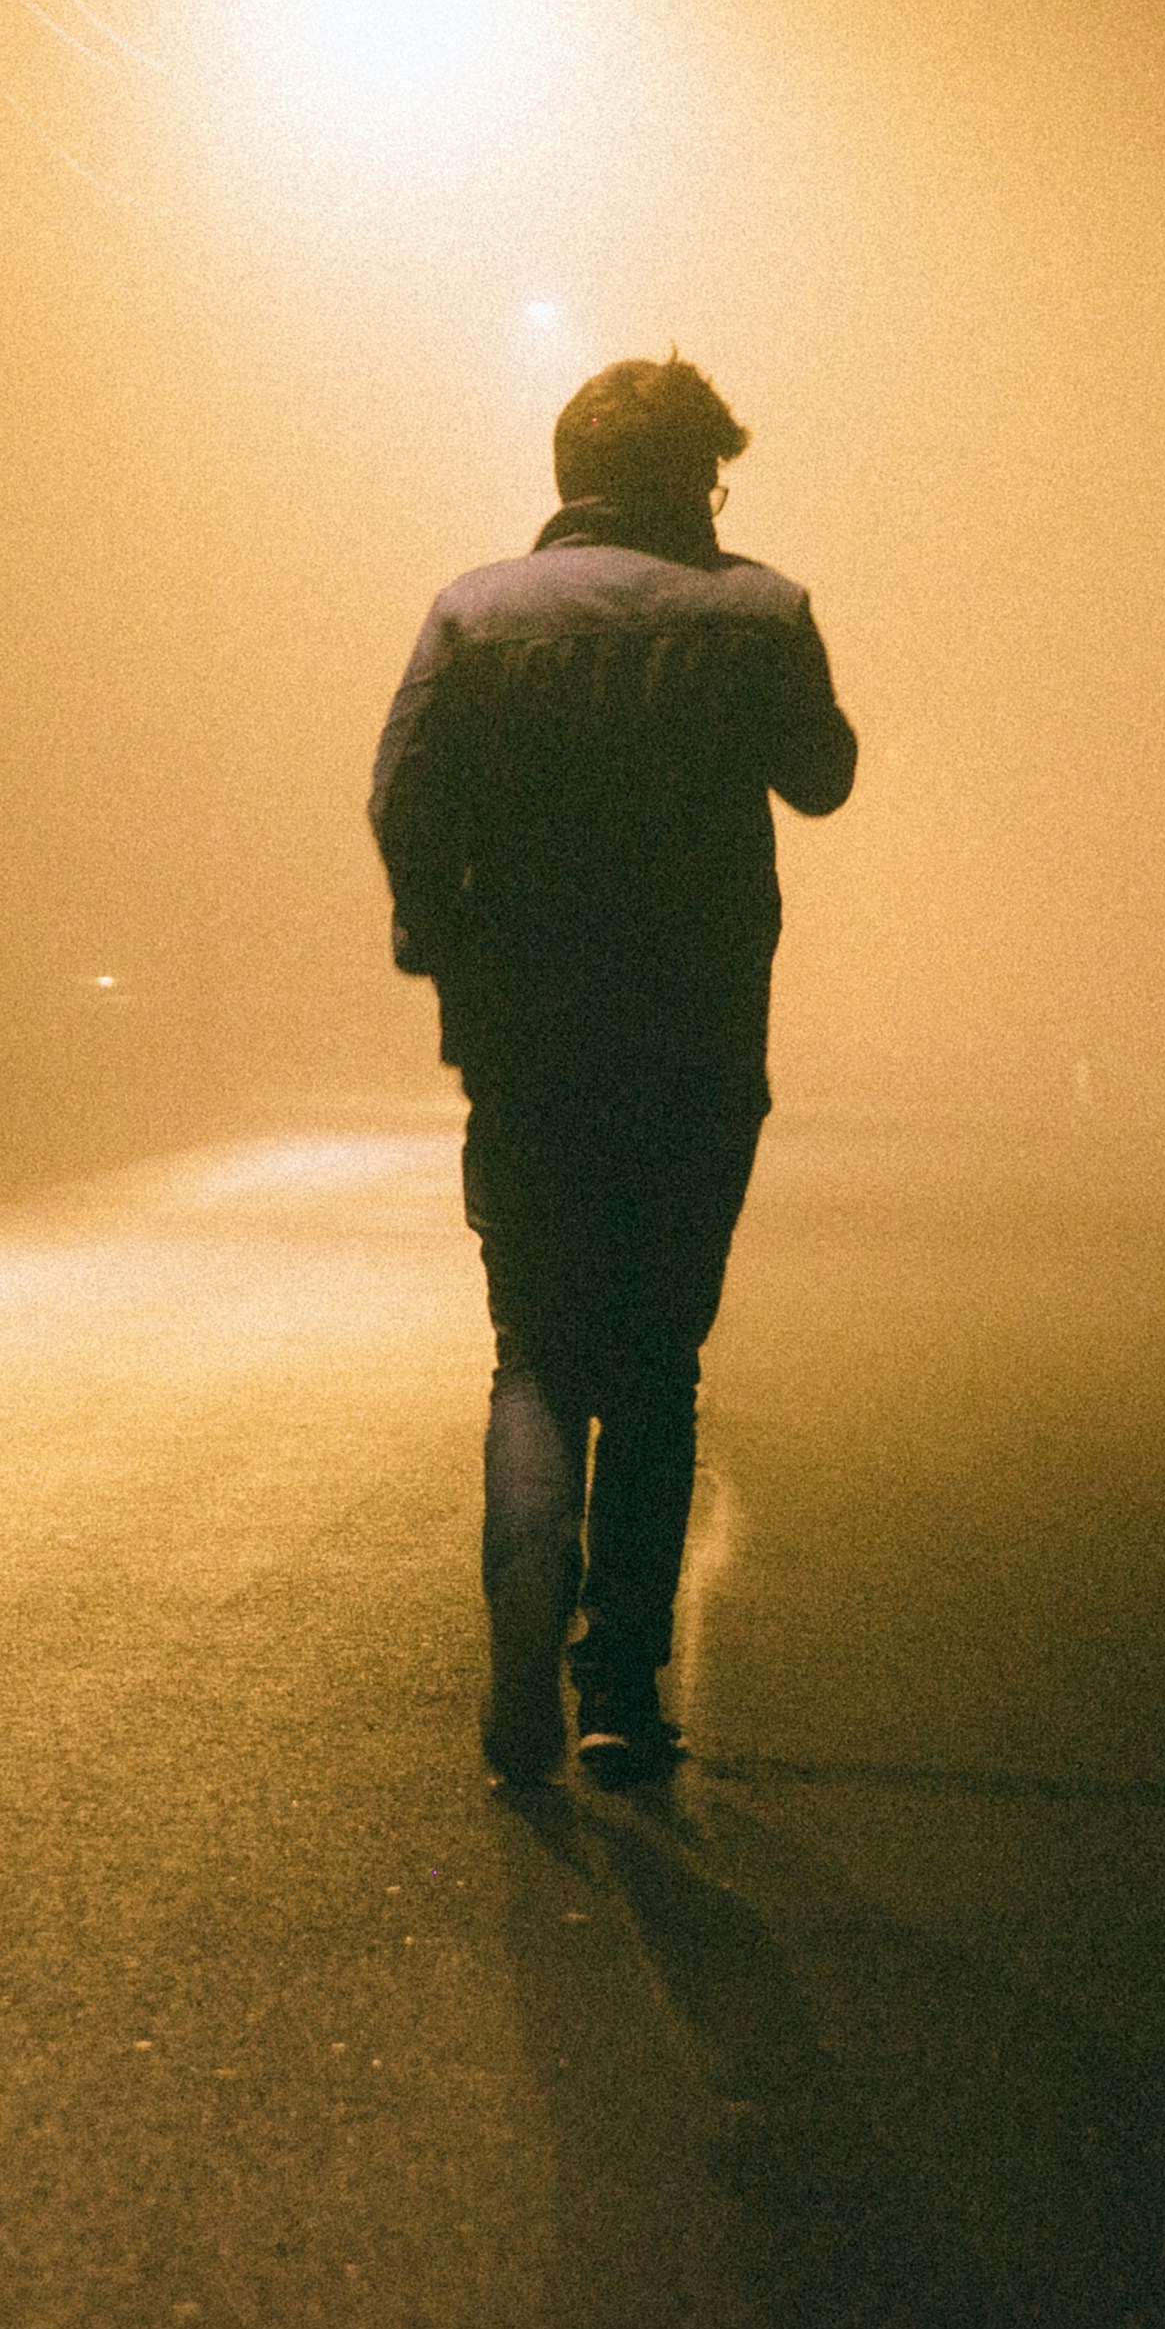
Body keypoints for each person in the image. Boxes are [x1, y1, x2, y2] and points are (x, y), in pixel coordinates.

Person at [368, 354, 860, 1787]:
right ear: (695, 480)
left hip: (527, 1047)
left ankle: (522, 1617)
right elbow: (822, 777)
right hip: (700, 1048)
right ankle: (619, 1688)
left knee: (536, 1353)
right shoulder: (759, 611)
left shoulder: (473, 613)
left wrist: (443, 943)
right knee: (655, 1366)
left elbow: (403, 796)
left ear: (568, 473)